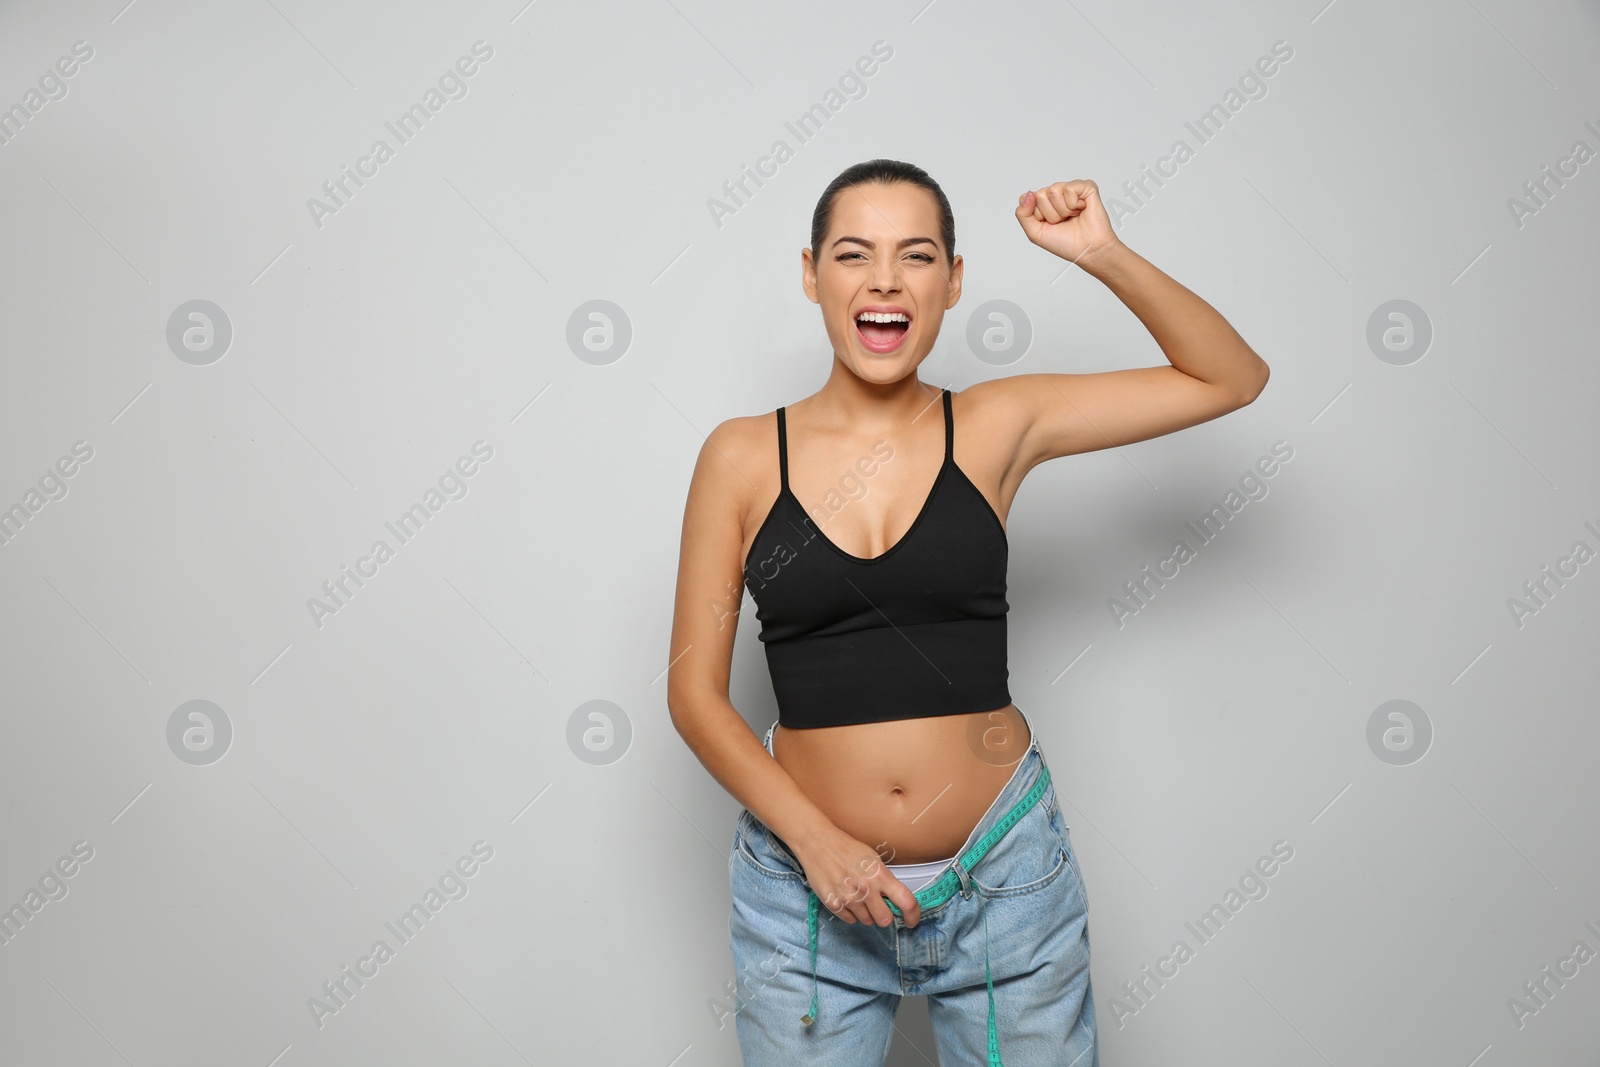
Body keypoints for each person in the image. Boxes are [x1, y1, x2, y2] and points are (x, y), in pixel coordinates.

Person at [667, 158, 1269, 1066]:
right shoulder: (743, 456)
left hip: (1005, 884)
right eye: (853, 255)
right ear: (811, 274)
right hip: (805, 893)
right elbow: (694, 696)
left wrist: (1101, 252)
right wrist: (819, 845)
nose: (883, 280)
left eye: (915, 256)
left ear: (953, 281)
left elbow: (1230, 376)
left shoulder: (996, 425)